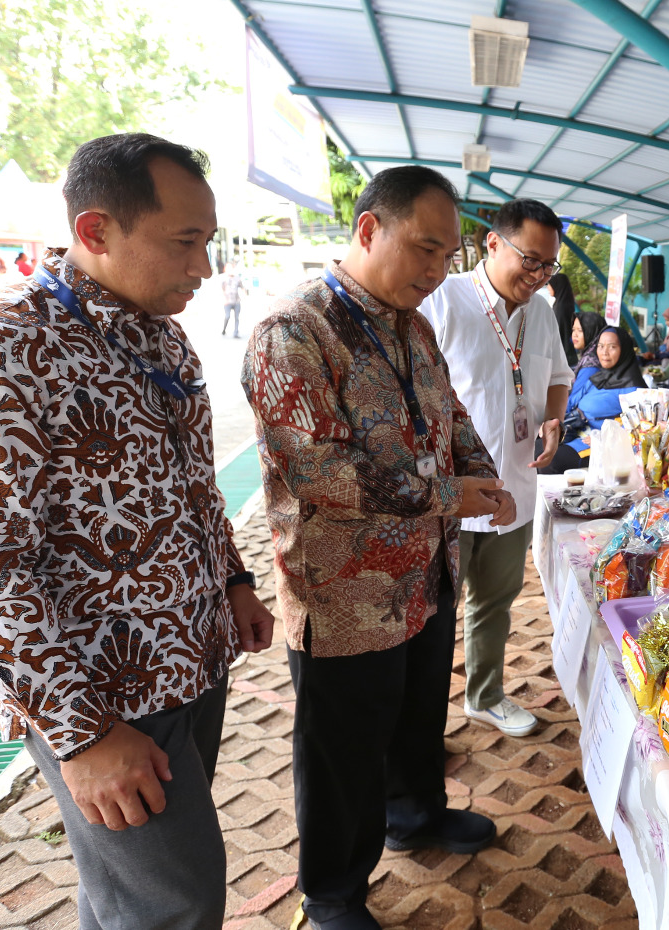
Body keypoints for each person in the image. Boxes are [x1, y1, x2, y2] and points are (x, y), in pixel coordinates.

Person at [0, 133, 275, 930]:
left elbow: (192, 485)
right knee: (174, 904)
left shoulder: (158, 334)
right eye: (185, 242)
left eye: (206, 242)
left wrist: (233, 579)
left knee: (135, 901)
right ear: (97, 231)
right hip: (106, 693)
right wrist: (84, 737)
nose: (203, 268)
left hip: (193, 657)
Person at [243, 164, 513, 930]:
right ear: (368, 229)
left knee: (418, 712)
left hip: (425, 574)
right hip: (345, 595)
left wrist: (482, 476)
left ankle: (416, 813)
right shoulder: (293, 331)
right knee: (341, 752)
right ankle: (332, 891)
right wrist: (446, 495)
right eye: (425, 250)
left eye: (447, 256)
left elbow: (451, 414)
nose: (438, 271)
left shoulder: (414, 325)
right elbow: (319, 469)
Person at [422, 198, 573, 739]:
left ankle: (484, 696)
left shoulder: (541, 312)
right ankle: (420, 726)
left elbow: (557, 373)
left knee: (495, 604)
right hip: (452, 497)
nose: (537, 276)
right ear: (493, 243)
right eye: (529, 261)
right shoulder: (444, 300)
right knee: (433, 618)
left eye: (548, 266)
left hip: (516, 488)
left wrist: (553, 420)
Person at [548, 326, 646, 473]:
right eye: (600, 346)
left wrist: (605, 438)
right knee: (535, 448)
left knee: (551, 461)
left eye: (612, 347)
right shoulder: (598, 378)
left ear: (624, 349)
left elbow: (640, 429)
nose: (604, 352)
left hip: (598, 445)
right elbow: (572, 402)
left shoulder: (635, 390)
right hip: (575, 433)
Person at [567, 310, 607, 391]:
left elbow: (575, 396)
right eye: (573, 330)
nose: (575, 334)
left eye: (580, 330)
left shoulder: (591, 364)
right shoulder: (589, 357)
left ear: (591, 331)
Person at [548, 273, 578, 366]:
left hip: (563, 357)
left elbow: (559, 333)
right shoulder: (565, 302)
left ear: (557, 286)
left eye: (550, 285)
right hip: (568, 354)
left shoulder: (561, 308)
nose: (548, 288)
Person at [220, 262, 245, 338]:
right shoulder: (222, 278)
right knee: (227, 316)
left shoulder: (237, 278)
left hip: (236, 301)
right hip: (227, 301)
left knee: (236, 317)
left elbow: (242, 287)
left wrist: (244, 296)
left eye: (231, 268)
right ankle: (224, 329)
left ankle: (236, 333)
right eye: (228, 268)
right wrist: (223, 299)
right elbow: (220, 289)